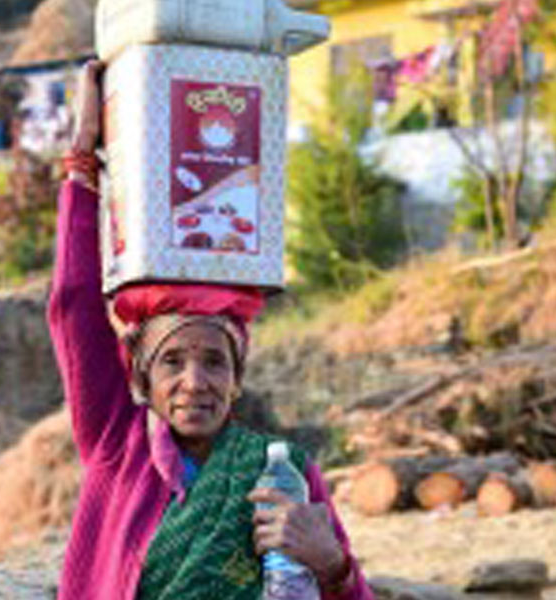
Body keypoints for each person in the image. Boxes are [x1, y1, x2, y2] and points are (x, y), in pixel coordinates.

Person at [48, 59, 374, 600]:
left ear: (238, 378)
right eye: (173, 362)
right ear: (143, 378)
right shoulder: (115, 446)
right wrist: (83, 159)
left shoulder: (284, 474)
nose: (196, 381)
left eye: (215, 361)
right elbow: (74, 305)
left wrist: (333, 564)